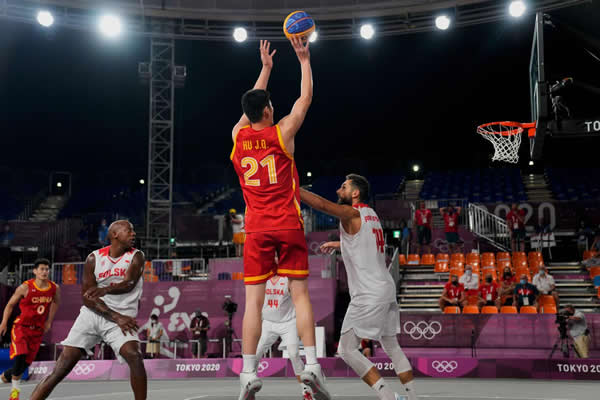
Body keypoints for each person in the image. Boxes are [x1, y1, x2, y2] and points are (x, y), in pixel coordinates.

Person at [230, 38, 330, 400]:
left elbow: (250, 105)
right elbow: (305, 98)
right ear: (269, 111)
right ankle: (312, 365)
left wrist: (266, 70)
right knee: (300, 295)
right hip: (287, 223)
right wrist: (304, 60)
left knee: (253, 303)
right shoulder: (283, 132)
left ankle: (248, 372)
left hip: (256, 229)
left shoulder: (237, 136)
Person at [300, 175, 418, 400]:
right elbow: (363, 243)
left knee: (346, 349)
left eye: (343, 187)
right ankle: (413, 398)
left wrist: (293, 189)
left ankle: (388, 396)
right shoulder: (371, 214)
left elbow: (322, 205)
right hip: (385, 288)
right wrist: (338, 244)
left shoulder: (352, 214)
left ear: (355, 193)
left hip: (368, 293)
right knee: (392, 346)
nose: (338, 190)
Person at [30, 220, 147, 400]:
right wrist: (116, 316)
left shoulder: (136, 256)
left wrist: (105, 290)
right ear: (115, 234)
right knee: (61, 368)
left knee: (134, 356)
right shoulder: (94, 258)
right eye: (129, 230)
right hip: (94, 315)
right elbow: (87, 298)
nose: (133, 234)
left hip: (122, 319)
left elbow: (129, 283)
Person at [0, 259, 60, 400]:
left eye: (47, 269)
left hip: (37, 330)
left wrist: (49, 321)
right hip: (21, 327)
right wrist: (3, 323)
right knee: (21, 355)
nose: (45, 272)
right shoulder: (25, 287)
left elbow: (56, 302)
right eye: (42, 269)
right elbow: (10, 305)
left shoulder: (54, 288)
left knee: (25, 364)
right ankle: (15, 392)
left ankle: (3, 377)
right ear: (35, 271)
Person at [255, 274, 313, 399]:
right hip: (268, 323)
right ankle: (249, 388)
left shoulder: (288, 279)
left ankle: (306, 389)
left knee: (294, 354)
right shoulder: (263, 278)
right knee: (256, 353)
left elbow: (299, 299)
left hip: (288, 323)